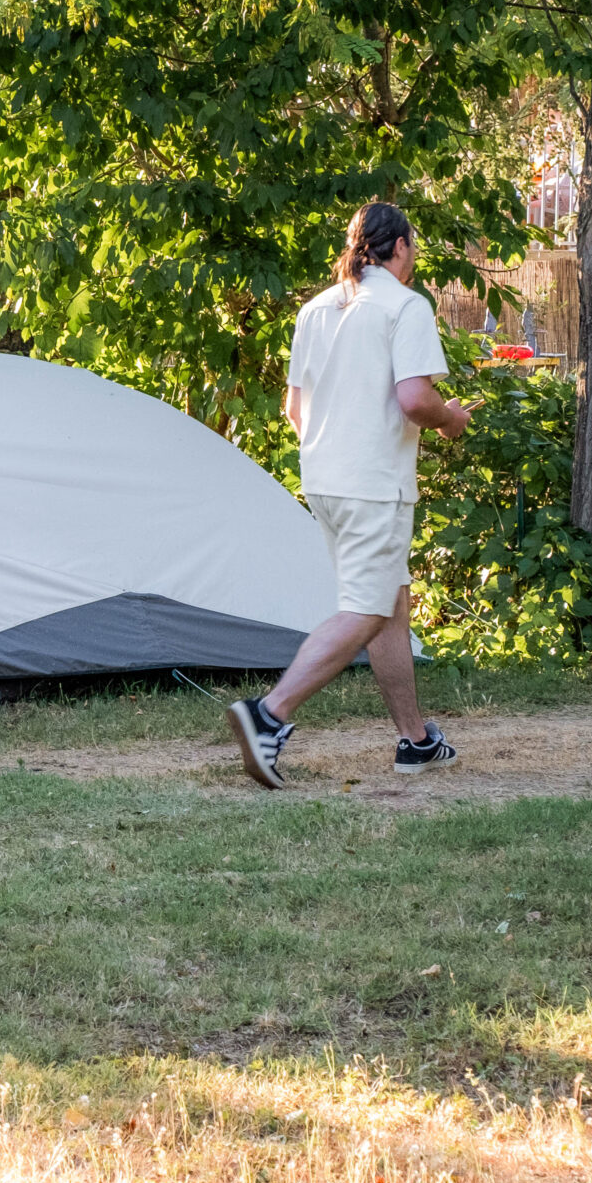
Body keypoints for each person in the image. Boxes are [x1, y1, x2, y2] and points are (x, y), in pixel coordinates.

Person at [227, 202, 475, 789]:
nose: (414, 258)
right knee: (366, 610)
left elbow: (294, 408)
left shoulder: (315, 309)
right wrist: (451, 419)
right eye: (413, 247)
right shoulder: (404, 306)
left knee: (388, 603)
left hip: (324, 479)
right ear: (398, 248)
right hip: (373, 486)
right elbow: (416, 399)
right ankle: (269, 715)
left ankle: (415, 741)